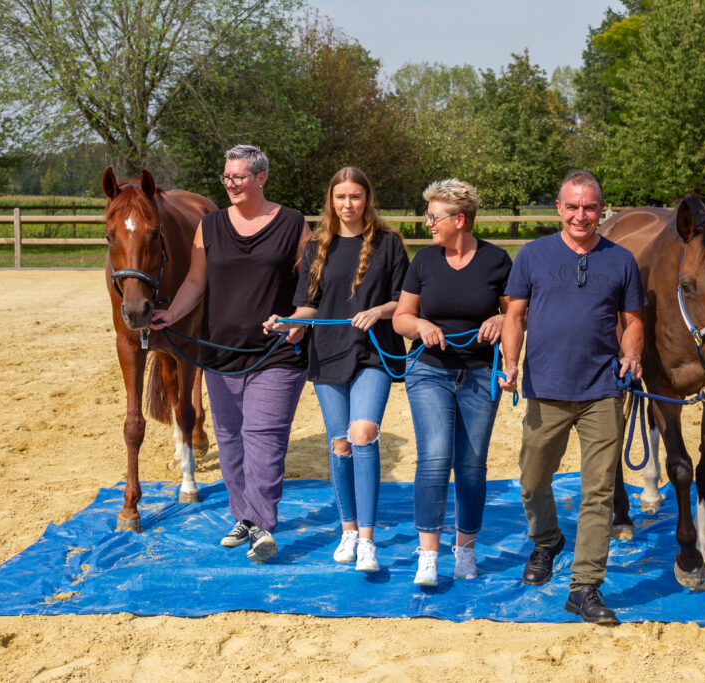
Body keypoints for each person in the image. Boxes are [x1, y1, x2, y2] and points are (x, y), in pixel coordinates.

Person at [499, 169, 645, 624]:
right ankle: (546, 539)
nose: (581, 215)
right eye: (573, 206)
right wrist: (510, 363)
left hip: (602, 390)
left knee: (598, 490)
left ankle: (585, 586)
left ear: (602, 210)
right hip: (545, 387)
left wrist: (632, 355)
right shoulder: (532, 255)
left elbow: (634, 321)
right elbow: (515, 316)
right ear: (559, 209)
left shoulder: (621, 260)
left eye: (590, 207)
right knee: (532, 478)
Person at [150, 144, 309, 563]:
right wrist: (171, 313)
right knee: (231, 440)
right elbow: (194, 283)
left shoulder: (293, 224)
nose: (231, 184)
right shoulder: (211, 225)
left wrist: (302, 319)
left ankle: (261, 525)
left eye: (238, 177)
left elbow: (312, 285)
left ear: (261, 178)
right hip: (220, 352)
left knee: (265, 439)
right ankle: (243, 516)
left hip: (275, 352)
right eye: (226, 177)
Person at [264, 167, 409, 573]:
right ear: (331, 200)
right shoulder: (315, 245)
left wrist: (378, 310)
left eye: (356, 197)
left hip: (373, 352)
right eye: (341, 197)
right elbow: (308, 307)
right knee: (340, 443)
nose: (348, 205)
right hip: (327, 353)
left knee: (363, 434)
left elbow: (404, 302)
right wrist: (290, 325)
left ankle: (367, 539)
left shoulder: (389, 243)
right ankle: (347, 530)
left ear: (368, 199)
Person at [392, 178, 512, 586]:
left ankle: (465, 548)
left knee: (473, 464)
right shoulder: (424, 261)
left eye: (434, 216)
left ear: (460, 220)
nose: (428, 223)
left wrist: (501, 319)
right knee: (436, 457)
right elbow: (400, 317)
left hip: (481, 374)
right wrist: (420, 324)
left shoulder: (497, 261)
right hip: (429, 372)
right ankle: (428, 554)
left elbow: (517, 317)